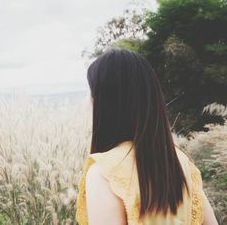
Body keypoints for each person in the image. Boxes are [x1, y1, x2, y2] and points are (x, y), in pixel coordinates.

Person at [76, 47, 218, 225]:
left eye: (91, 92)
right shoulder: (180, 162)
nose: (87, 100)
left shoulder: (104, 173)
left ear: (106, 102)